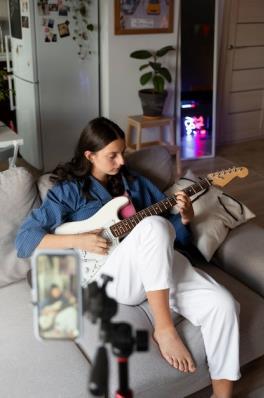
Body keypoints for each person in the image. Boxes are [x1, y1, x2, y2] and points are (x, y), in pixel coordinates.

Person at [16, 117, 240, 398]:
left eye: (123, 153)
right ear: (90, 155)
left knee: (223, 304)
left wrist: (184, 217)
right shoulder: (69, 191)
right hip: (110, 275)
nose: (121, 161)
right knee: (152, 225)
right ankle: (164, 328)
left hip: (155, 266)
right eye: (112, 155)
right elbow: (25, 241)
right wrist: (79, 240)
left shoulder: (134, 182)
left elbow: (171, 238)